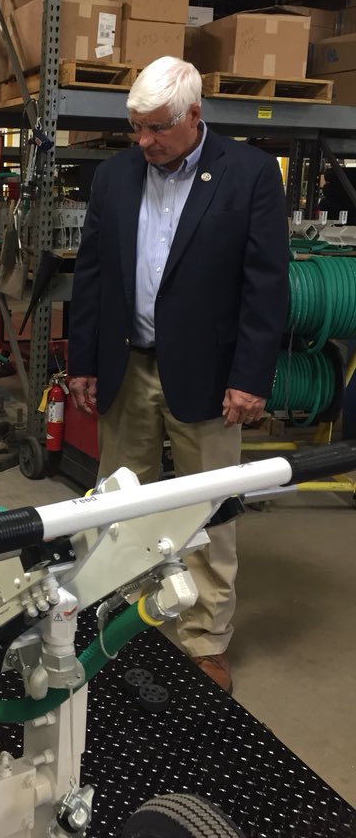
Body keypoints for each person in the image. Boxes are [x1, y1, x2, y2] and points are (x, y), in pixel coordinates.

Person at [67, 56, 289, 693]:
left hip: (211, 377)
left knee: (210, 513)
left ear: (194, 115)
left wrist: (251, 376)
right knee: (119, 506)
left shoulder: (249, 174)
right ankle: (117, 623)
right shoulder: (114, 176)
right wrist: (83, 361)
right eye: (136, 127)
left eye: (157, 128)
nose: (144, 141)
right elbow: (92, 274)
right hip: (127, 364)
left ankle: (204, 639)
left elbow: (265, 284)